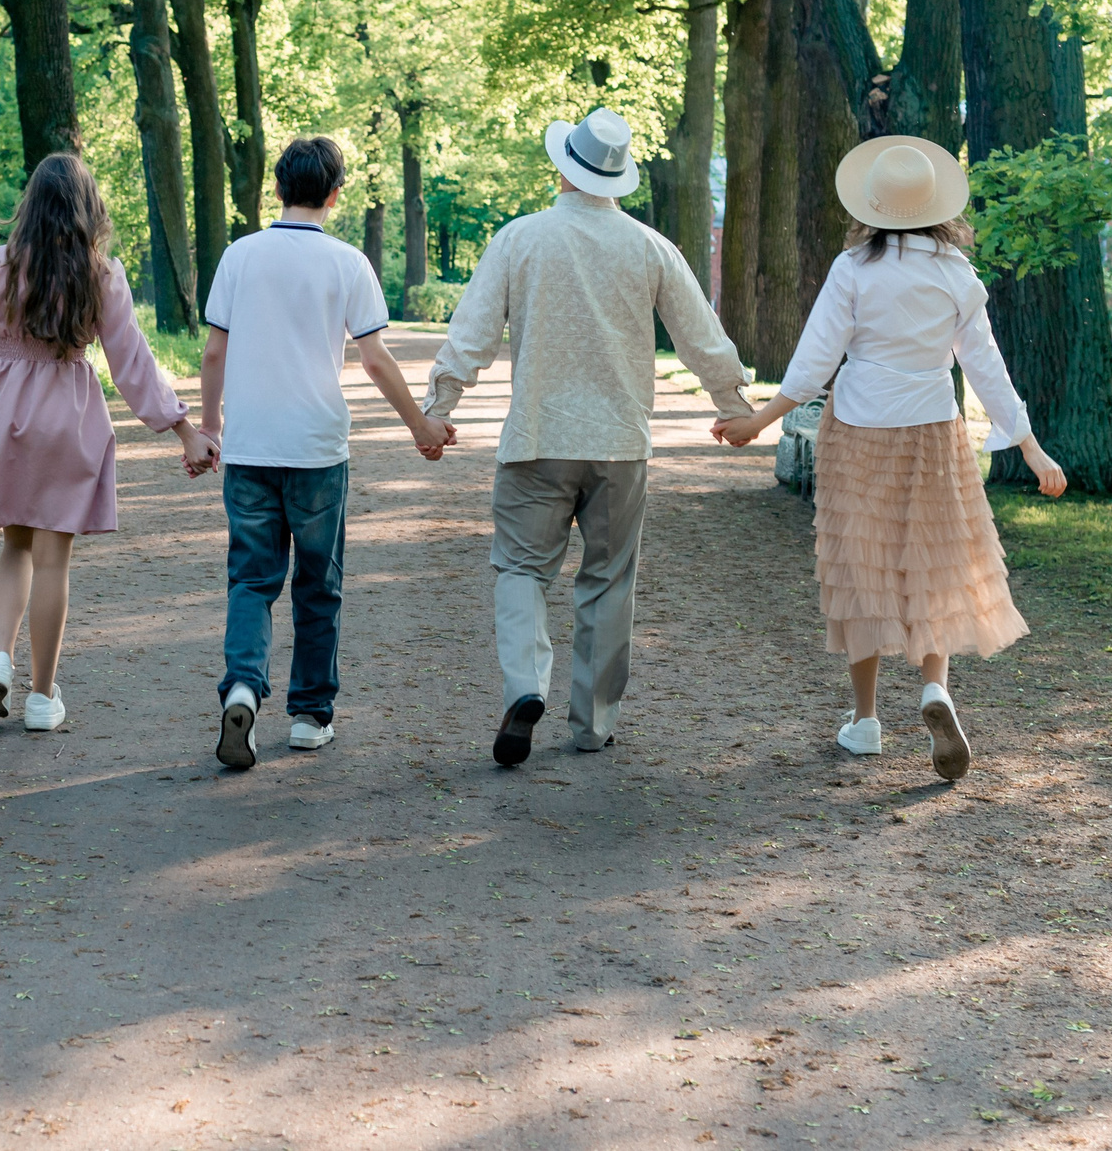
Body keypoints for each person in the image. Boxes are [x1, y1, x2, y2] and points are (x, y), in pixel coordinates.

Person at [712, 135, 1067, 782]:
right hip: (933, 428)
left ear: (872, 205)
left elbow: (818, 357)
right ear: (937, 207)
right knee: (931, 558)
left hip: (861, 429)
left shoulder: (854, 268)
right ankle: (935, 688)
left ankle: (867, 720)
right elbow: (987, 367)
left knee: (861, 565)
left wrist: (759, 421)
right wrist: (1031, 447)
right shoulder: (957, 274)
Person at [422, 108, 756, 767]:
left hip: (537, 438)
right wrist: (734, 404)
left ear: (563, 167)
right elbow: (700, 334)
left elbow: (473, 333)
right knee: (608, 579)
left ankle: (524, 686)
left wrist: (438, 408)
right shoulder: (651, 247)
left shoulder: (519, 239)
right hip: (620, 445)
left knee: (520, 567)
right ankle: (593, 723)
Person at [0, 153, 219, 732]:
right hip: (71, 414)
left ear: (29, 205)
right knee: (53, 558)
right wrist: (185, 430)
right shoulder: (101, 274)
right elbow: (131, 360)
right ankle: (41, 698)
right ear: (89, 210)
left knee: (14, 547)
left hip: (8, 411)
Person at [198, 137, 457, 771]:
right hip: (317, 447)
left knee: (252, 580)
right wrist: (420, 424)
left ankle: (240, 690)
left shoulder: (240, 255)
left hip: (252, 445)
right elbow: (375, 360)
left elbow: (212, 353)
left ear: (277, 189)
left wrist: (210, 430)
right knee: (319, 583)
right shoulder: (348, 263)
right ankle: (312, 716)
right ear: (335, 194)